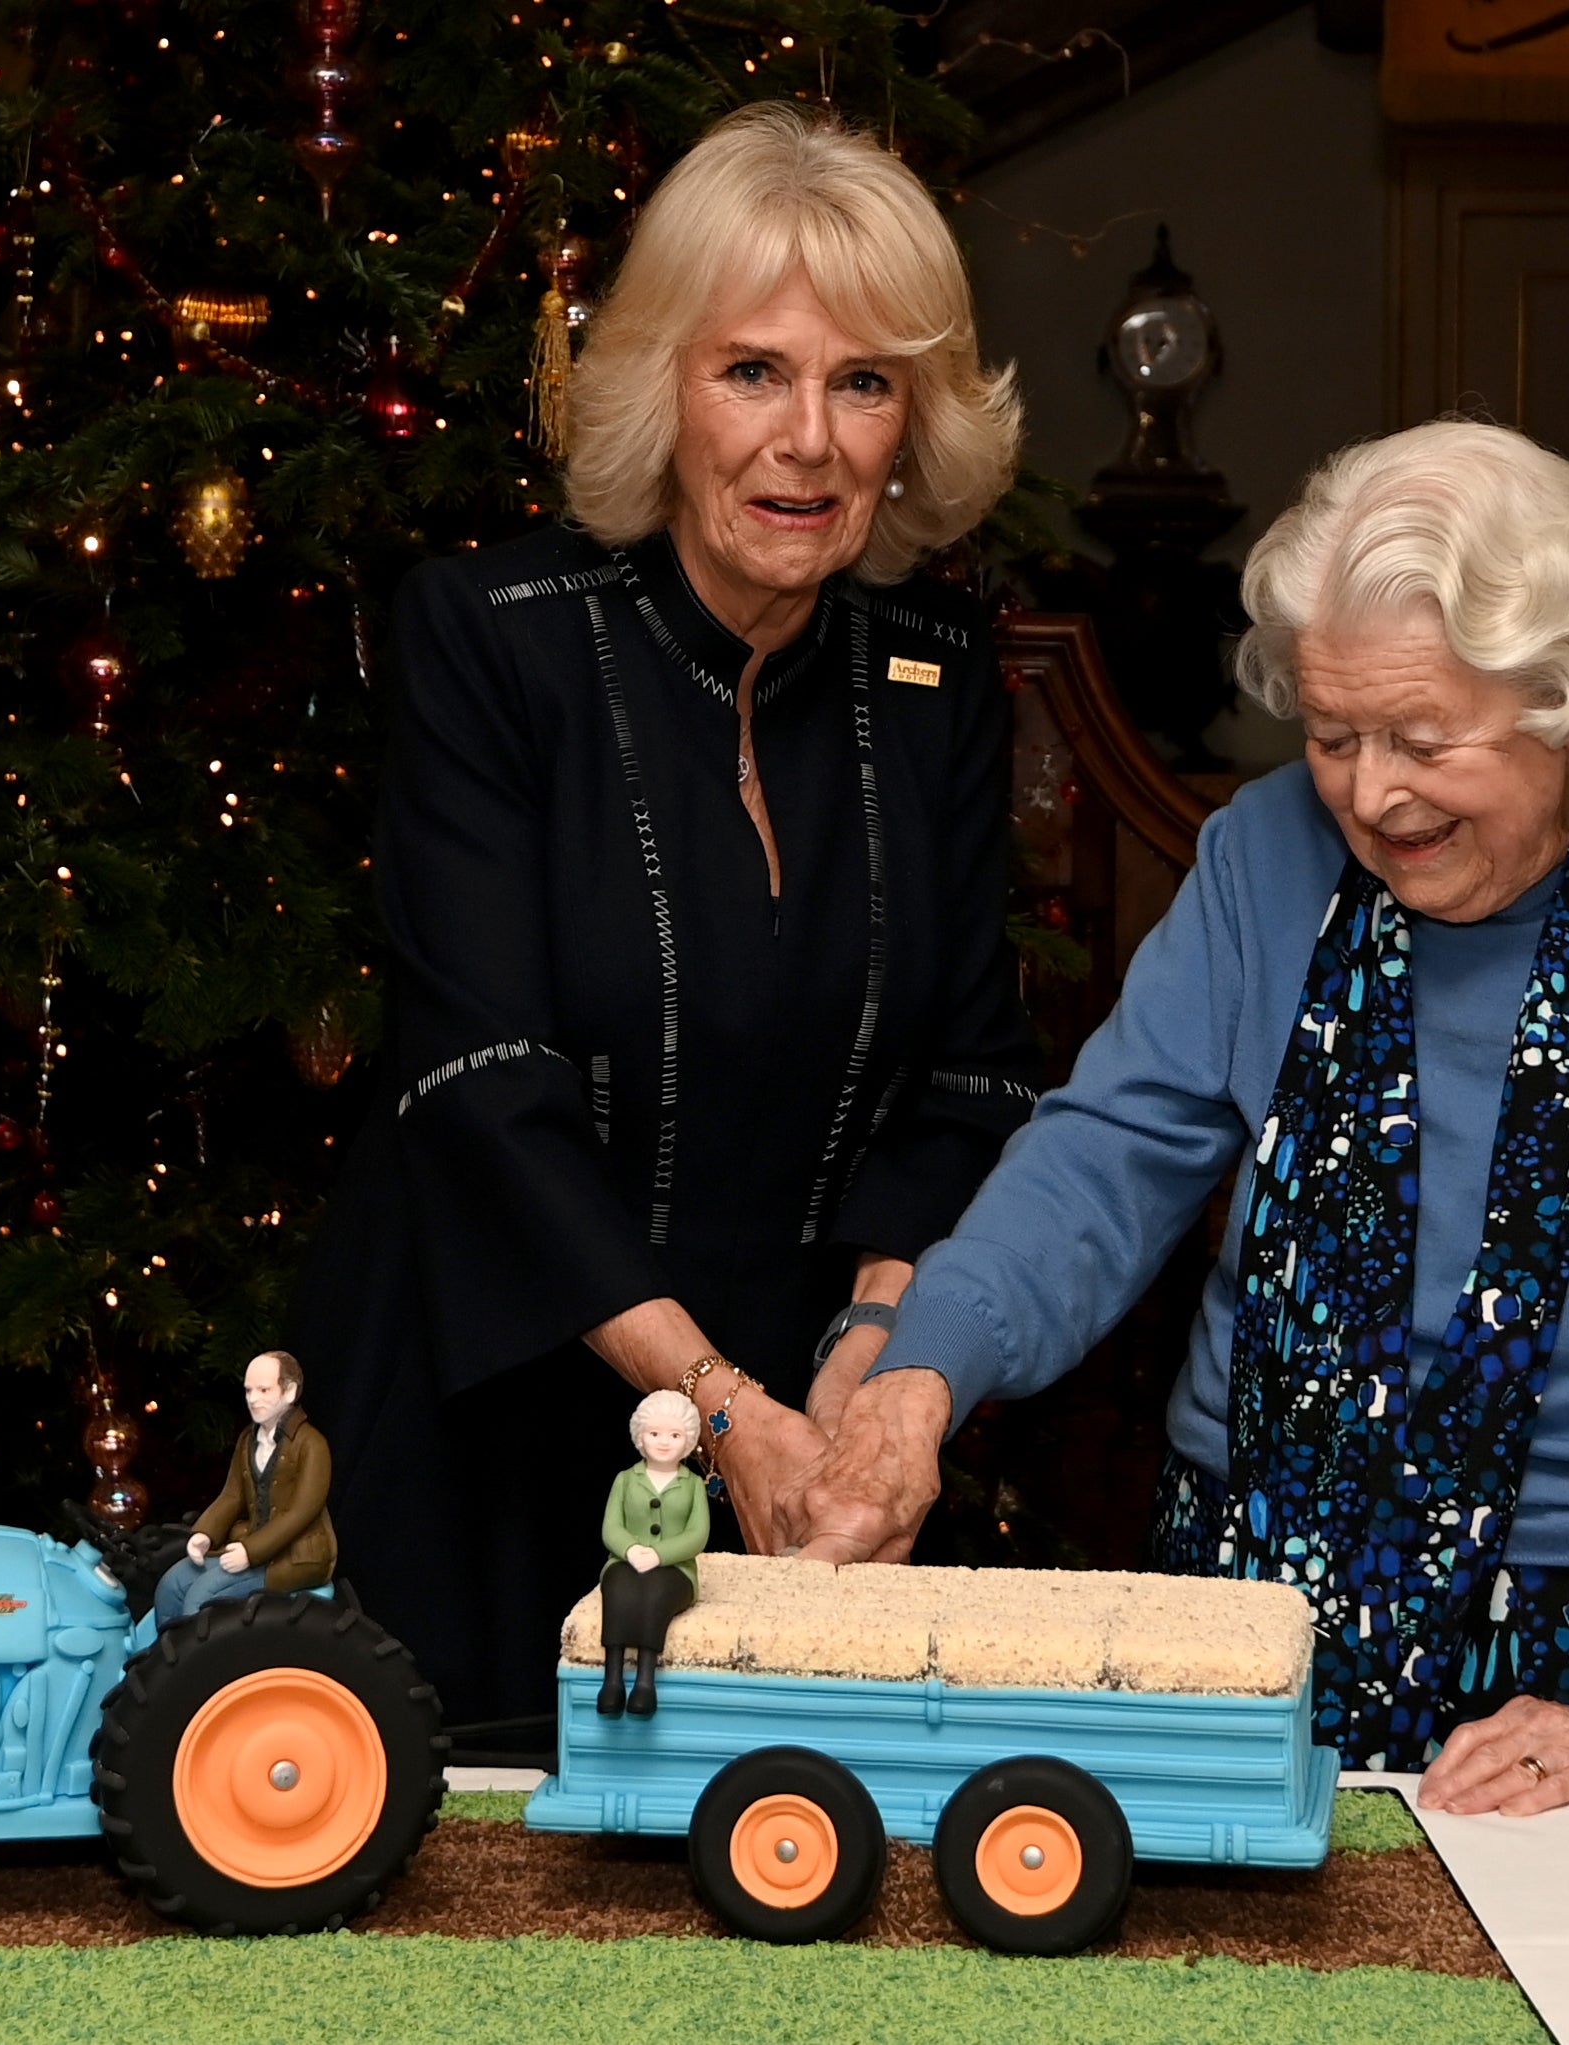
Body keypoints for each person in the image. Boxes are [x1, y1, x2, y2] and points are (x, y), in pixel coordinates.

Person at [788, 421, 1569, 1814]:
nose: (1369, 793)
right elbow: (1101, 1164)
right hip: (1243, 1600)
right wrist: (919, 1377)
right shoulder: (1261, 854)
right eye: (1330, 733)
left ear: (1566, 699)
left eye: (1421, 739)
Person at [292, 102, 1040, 1730]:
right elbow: (480, 1092)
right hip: (490, 1423)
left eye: (862, 383)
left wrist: (859, 1377)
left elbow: (967, 1079)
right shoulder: (494, 642)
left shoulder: (937, 684)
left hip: (806, 1454)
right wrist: (719, 1415)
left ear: (915, 424)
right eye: (753, 370)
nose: (809, 440)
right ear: (661, 389)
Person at [154, 1351, 336, 1630]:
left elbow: (302, 1512)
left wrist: (251, 1552)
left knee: (202, 1597)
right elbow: (232, 1495)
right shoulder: (248, 1440)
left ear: (289, 1392)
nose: (253, 1398)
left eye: (264, 1390)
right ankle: (166, 1662)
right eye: (249, 1390)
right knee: (171, 1585)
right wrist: (205, 1533)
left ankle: (197, 1669)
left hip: (296, 1556)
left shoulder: (312, 1444)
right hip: (248, 1546)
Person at [596, 1389, 710, 1718]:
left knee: (656, 1593)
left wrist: (660, 1555)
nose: (663, 1442)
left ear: (687, 1441)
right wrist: (630, 1550)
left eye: (674, 1435)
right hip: (624, 1562)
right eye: (654, 1433)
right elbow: (611, 1528)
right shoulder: (625, 1480)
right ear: (640, 1436)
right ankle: (613, 1679)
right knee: (618, 1589)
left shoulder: (692, 1486)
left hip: (675, 1570)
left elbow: (697, 1535)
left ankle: (646, 1682)